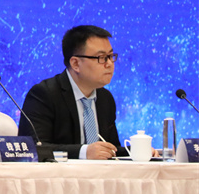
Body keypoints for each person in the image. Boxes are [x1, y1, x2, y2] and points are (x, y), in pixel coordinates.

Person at [19, 25, 125, 160]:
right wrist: (84, 152)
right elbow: (31, 148)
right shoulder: (44, 94)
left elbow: (112, 149)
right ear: (75, 64)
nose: (109, 63)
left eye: (111, 56)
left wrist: (139, 151)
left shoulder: (105, 98)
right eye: (102, 57)